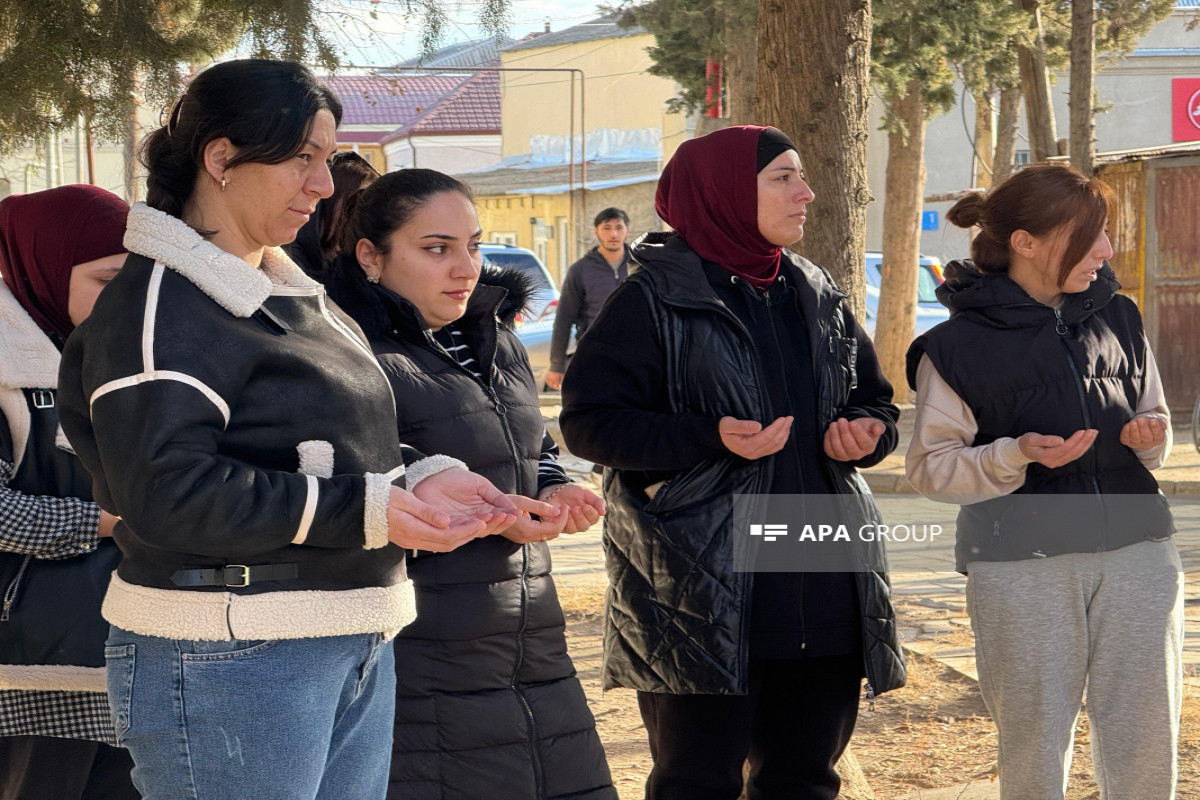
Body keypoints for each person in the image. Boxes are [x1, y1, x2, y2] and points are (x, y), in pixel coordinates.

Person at [56, 59, 521, 800]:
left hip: (347, 636)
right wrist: (366, 508)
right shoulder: (157, 310)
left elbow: (317, 449)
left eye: (325, 159)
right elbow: (165, 491)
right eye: (302, 158)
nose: (325, 184)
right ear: (221, 159)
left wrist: (423, 479)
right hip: (229, 656)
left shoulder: (292, 292)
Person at [559, 125, 906, 800]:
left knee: (805, 781)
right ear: (720, 192)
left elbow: (877, 401)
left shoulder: (815, 290)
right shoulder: (651, 300)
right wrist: (710, 434)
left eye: (801, 175)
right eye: (782, 177)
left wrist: (868, 430)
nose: (805, 192)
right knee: (697, 782)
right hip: (700, 597)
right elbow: (588, 424)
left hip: (824, 581)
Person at [325, 168, 616, 800]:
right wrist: (476, 510)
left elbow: (529, 446)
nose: (465, 268)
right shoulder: (345, 353)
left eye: (473, 247)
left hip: (531, 636)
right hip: (424, 648)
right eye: (437, 249)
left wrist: (552, 486)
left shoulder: (496, 341)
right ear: (371, 257)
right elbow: (355, 467)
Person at [905, 163, 1181, 800]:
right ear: (1024, 242)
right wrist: (1014, 455)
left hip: (1139, 553)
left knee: (1145, 739)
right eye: (1086, 237)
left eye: (1105, 233)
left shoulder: (1122, 318)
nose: (1106, 251)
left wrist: (1151, 436)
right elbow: (930, 469)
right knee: (1034, 744)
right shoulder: (953, 348)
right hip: (1019, 564)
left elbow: (1155, 425)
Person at [0, 185, 138, 800]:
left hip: (135, 650)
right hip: (28, 663)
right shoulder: (9, 374)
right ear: (42, 266)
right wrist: (110, 523)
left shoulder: (123, 359)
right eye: (109, 280)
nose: (127, 301)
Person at [545, 207, 631, 390]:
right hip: (594, 356)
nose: (613, 234)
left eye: (619, 227)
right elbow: (563, 320)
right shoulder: (581, 270)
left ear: (627, 230)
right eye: (607, 228)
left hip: (635, 356)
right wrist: (556, 365)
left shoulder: (640, 266)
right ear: (596, 231)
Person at [287, 150, 380, 279]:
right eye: (358, 201)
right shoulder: (290, 272)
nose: (368, 213)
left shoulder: (380, 265)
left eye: (376, 204)